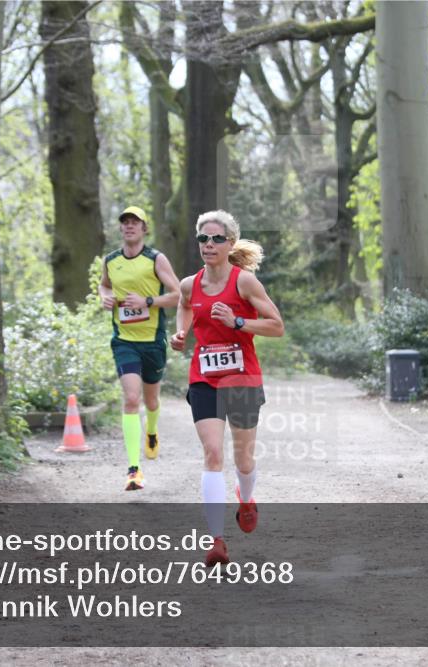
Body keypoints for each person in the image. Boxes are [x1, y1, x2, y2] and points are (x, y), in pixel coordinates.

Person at [170, 210, 285, 566]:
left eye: (217, 238)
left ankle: (246, 500)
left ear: (230, 243)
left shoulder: (244, 282)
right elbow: (184, 305)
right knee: (212, 455)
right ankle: (217, 540)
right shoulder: (190, 283)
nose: (209, 244)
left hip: (243, 377)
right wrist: (181, 333)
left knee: (244, 458)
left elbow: (276, 326)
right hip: (204, 377)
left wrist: (237, 321)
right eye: (203, 238)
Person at [99, 206, 181, 491]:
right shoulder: (111, 260)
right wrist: (106, 298)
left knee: (152, 401)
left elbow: (176, 295)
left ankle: (152, 430)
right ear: (121, 229)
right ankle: (134, 470)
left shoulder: (155, 259)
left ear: (144, 228)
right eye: (125, 223)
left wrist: (147, 302)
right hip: (124, 341)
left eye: (135, 223)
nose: (129, 227)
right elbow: (104, 286)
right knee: (131, 399)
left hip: (153, 342)